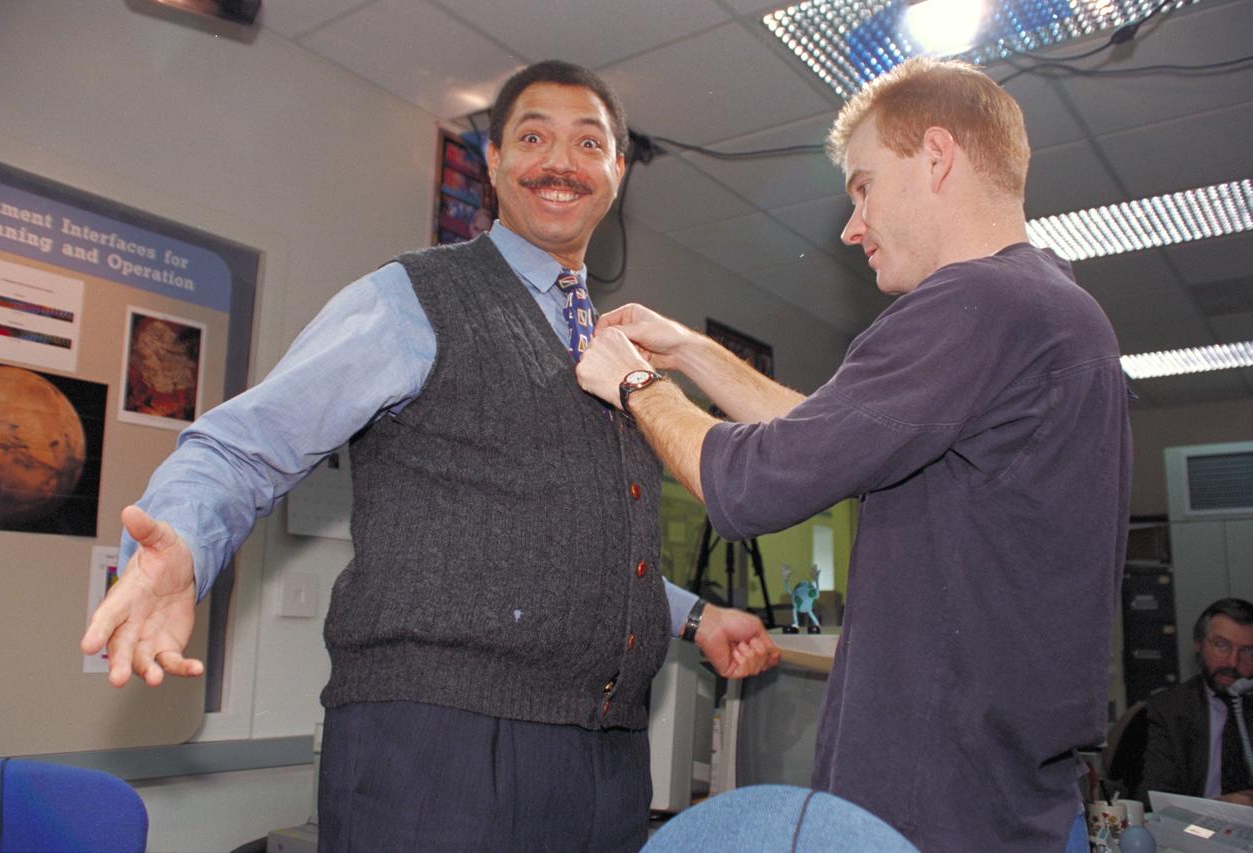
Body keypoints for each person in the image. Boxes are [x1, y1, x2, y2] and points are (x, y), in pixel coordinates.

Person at [81, 60, 779, 852]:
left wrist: (697, 616)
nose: (560, 160)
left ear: (617, 171)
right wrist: (183, 538)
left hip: (605, 764)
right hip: (438, 752)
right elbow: (247, 445)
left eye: (589, 142)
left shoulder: (616, 344)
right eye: (532, 136)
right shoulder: (412, 299)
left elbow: (581, 543)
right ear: (492, 163)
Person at [575, 56, 1132, 851]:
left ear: (935, 157)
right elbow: (828, 438)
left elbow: (750, 484)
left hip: (936, 804)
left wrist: (632, 382)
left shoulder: (980, 300)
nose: (851, 224)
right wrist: (691, 354)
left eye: (863, 185)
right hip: (1004, 796)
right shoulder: (1047, 314)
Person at [1139, 598, 1253, 806]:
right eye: (1221, 645)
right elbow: (1155, 798)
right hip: (1194, 830)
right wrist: (1218, 807)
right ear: (1199, 645)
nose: (1232, 661)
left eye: (1247, 651)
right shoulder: (1170, 708)